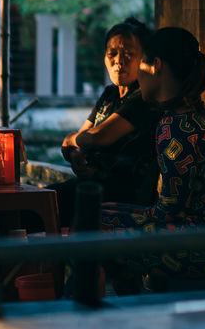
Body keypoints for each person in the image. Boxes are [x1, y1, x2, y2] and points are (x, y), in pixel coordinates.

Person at [101, 26, 205, 291]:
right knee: (101, 214)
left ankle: (128, 308)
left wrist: (115, 217)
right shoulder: (196, 111)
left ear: (156, 66)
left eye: (142, 63)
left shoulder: (176, 127)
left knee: (93, 227)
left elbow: (170, 211)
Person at [56, 18, 160, 222]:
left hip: (124, 196)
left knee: (49, 202)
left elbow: (96, 137)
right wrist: (75, 155)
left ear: (143, 58)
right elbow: (83, 137)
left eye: (129, 54)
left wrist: (70, 140)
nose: (119, 61)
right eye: (112, 54)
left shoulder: (143, 98)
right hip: (93, 186)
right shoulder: (109, 95)